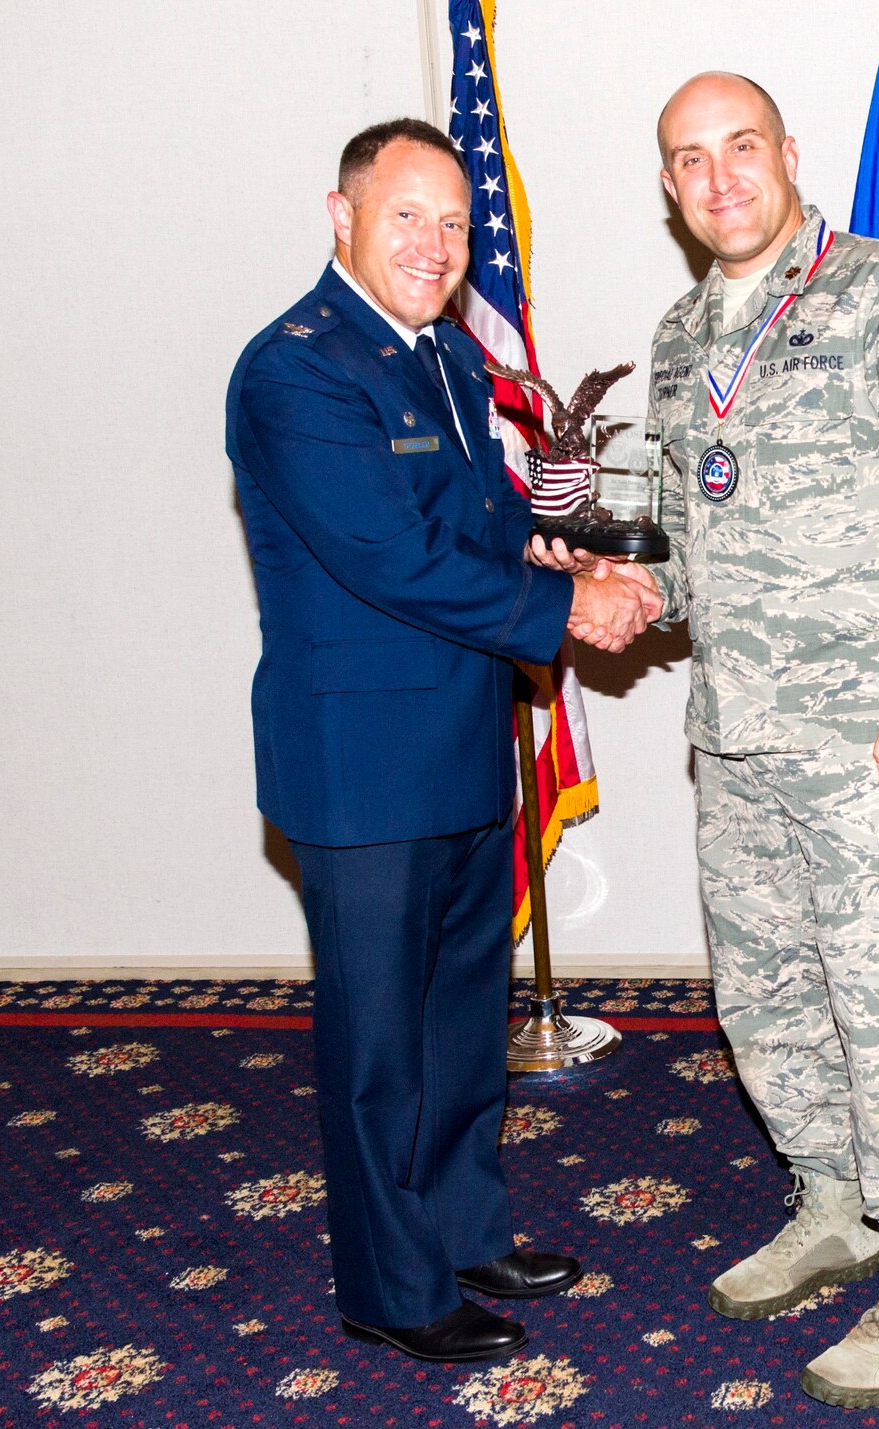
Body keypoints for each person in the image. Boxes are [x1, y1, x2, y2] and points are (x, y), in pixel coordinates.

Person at [622, 73, 879, 1409]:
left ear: (790, 156)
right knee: (767, 1002)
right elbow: (703, 544)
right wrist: (623, 586)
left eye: (741, 147)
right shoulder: (683, 338)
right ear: (673, 189)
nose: (720, 177)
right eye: (690, 160)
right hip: (737, 746)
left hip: (873, 750)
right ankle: (833, 1204)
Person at [225, 118, 658, 1362]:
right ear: (341, 214)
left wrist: (549, 545)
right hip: (361, 769)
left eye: (456, 223)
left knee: (462, 1022)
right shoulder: (296, 371)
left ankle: (467, 1231)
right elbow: (388, 556)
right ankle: (393, 1286)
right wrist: (566, 608)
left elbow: (470, 522)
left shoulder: (450, 362)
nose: (436, 243)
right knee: (378, 1048)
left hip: (466, 738)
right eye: (406, 214)